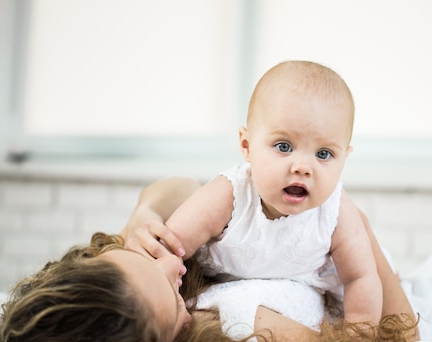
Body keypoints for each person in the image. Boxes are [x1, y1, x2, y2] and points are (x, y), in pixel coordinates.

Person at [0, 176, 432, 342]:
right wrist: (351, 227)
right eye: (170, 292)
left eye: (143, 253)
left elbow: (190, 190)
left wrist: (143, 215)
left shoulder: (152, 270)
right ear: (162, 338)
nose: (175, 263)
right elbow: (392, 339)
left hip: (423, 290)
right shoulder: (240, 331)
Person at [153, 60, 383, 328]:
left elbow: (360, 277)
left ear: (345, 157)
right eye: (284, 146)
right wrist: (170, 297)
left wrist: (360, 334)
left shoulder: (336, 210)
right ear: (247, 145)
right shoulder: (229, 194)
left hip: (304, 290)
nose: (302, 167)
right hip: (230, 286)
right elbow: (170, 247)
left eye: (323, 154)